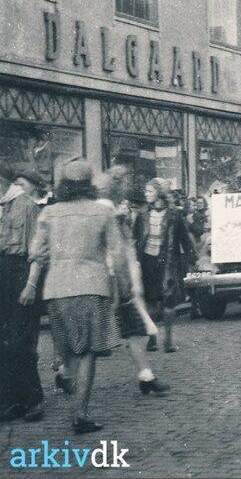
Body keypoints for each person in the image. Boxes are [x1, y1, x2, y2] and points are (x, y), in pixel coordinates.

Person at [19, 160, 132, 434]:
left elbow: (35, 252)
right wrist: (124, 286)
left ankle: (66, 374)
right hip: (92, 286)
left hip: (56, 288)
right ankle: (80, 413)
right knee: (88, 352)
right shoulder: (101, 212)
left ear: (64, 184)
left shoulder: (49, 213)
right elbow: (117, 254)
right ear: (89, 183)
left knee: (69, 346)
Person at [95, 168, 170, 396]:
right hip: (106, 280)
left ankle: (146, 376)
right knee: (91, 335)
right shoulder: (103, 212)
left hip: (120, 281)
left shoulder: (117, 210)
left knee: (135, 328)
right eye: (123, 182)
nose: (126, 186)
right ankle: (65, 372)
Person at [0, 167, 44, 422]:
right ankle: (10, 400)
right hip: (3, 274)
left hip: (20, 273)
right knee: (4, 340)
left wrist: (31, 285)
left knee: (20, 340)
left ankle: (33, 399)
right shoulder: (3, 205)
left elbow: (37, 254)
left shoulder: (27, 207)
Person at [134, 178, 197, 353]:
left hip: (168, 262)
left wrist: (192, 258)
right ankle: (152, 339)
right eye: (146, 191)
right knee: (150, 302)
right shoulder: (142, 214)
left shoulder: (174, 215)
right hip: (148, 262)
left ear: (159, 193)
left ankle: (168, 341)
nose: (146, 194)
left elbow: (184, 238)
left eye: (150, 191)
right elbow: (136, 238)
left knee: (169, 300)